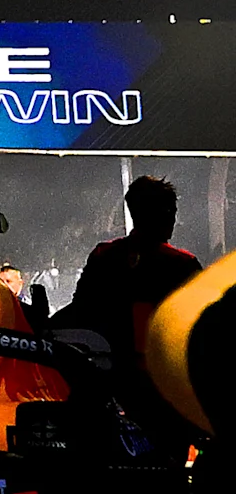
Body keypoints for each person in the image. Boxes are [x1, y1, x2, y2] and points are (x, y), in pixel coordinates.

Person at [52, 177, 206, 448]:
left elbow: (79, 310)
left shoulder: (103, 256)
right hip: (160, 394)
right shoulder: (181, 265)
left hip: (104, 386)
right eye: (170, 213)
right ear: (164, 214)